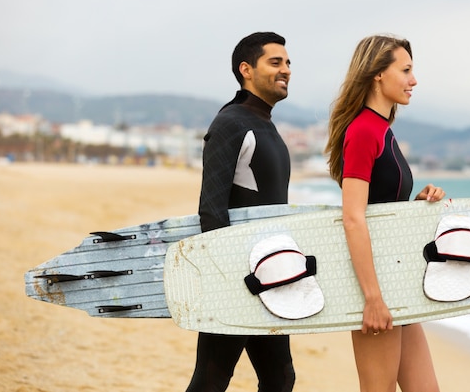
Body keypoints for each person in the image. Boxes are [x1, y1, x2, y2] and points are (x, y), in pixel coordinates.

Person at [324, 34, 444, 392]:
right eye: (405, 70)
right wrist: (373, 299)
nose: (413, 80)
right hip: (377, 288)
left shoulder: (382, 130)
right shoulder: (362, 131)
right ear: (377, 74)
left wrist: (416, 205)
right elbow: (353, 217)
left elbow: (379, 212)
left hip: (398, 282)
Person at [186, 32, 295, 392]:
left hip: (270, 273)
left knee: (280, 379)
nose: (286, 70)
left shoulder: (265, 124)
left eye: (288, 62)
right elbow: (212, 208)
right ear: (246, 69)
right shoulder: (231, 123)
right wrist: (228, 281)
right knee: (211, 380)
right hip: (238, 278)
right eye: (275, 62)